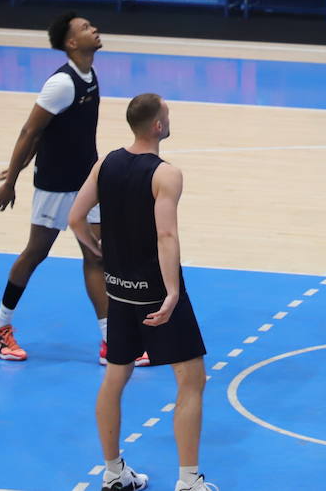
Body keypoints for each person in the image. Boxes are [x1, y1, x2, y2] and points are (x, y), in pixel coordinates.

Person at [69, 94, 213, 491]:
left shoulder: (106, 163)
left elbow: (75, 218)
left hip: (118, 290)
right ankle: (188, 481)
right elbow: (166, 235)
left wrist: (99, 253)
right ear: (156, 126)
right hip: (154, 291)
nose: (170, 118)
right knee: (191, 380)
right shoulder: (166, 174)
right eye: (167, 114)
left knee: (115, 378)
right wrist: (170, 293)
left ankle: (114, 473)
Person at [0, 11, 141, 366]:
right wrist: (12, 180)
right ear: (71, 43)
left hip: (87, 182)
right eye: (86, 27)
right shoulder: (62, 84)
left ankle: (110, 340)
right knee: (35, 253)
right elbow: (31, 132)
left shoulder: (90, 75)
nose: (94, 29)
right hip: (55, 186)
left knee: (97, 255)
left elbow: (55, 131)